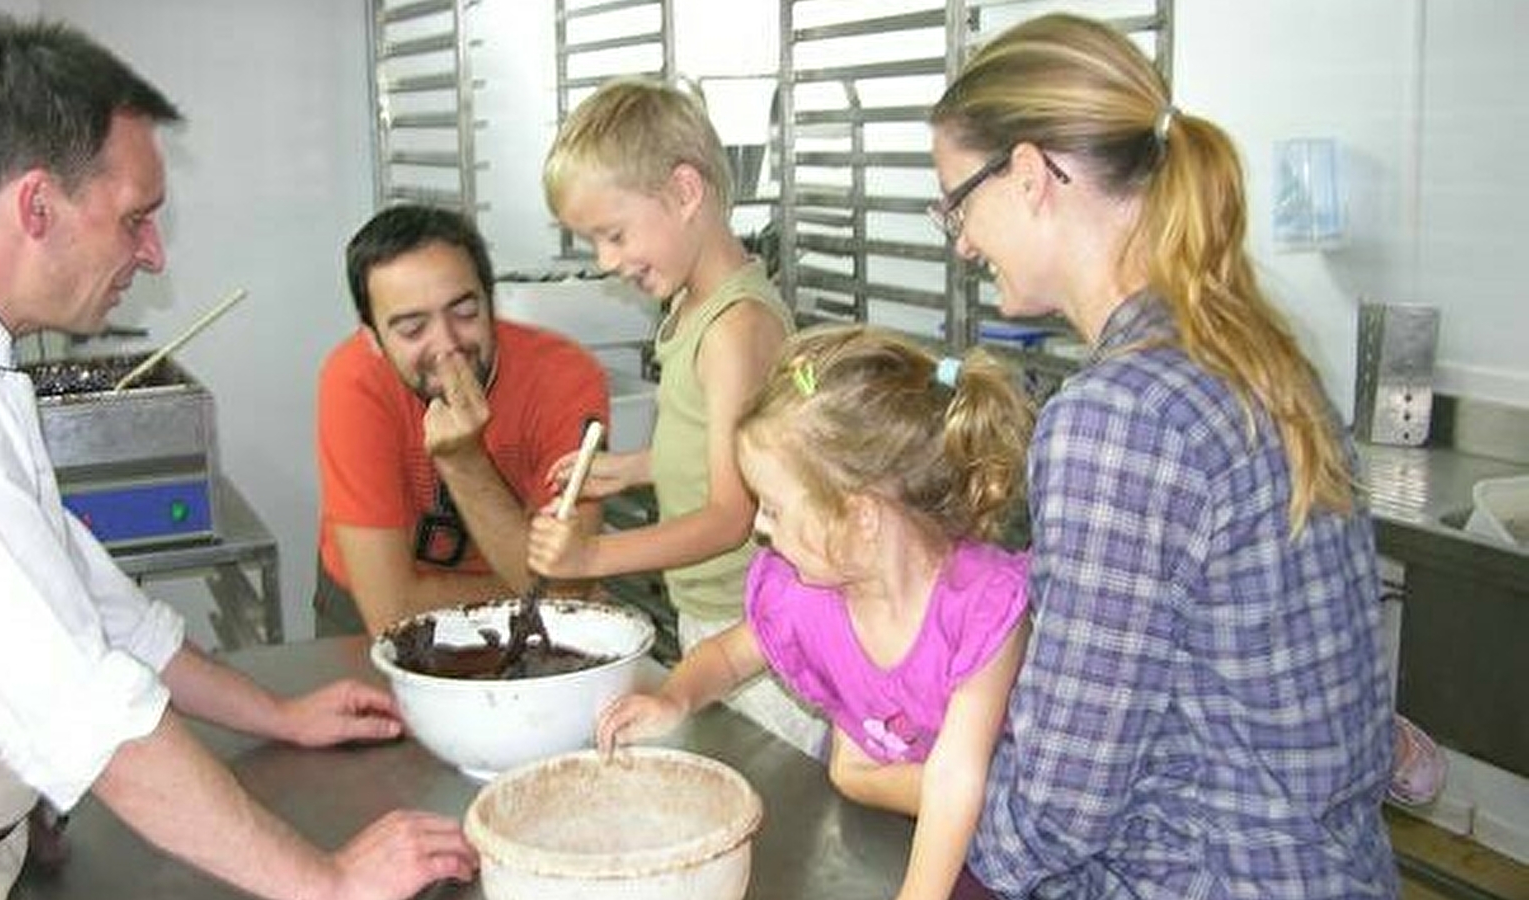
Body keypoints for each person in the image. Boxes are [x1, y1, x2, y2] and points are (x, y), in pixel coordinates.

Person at [0, 17, 474, 899]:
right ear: (36, 207)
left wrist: (278, 715)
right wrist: (326, 881)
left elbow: (100, 609)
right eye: (136, 219)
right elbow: (87, 715)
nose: (153, 253)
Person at [927, 13, 1396, 898]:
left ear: (1029, 177)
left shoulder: (1118, 418)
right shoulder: (1262, 357)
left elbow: (1066, 799)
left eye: (958, 203)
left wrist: (951, 850)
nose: (960, 243)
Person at [597, 325, 1034, 900]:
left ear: (860, 518)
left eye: (774, 509)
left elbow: (957, 779)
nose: (758, 528)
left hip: (997, 831)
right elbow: (729, 655)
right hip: (892, 815)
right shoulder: (806, 595)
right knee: (846, 775)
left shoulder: (978, 608)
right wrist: (673, 697)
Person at [530, 78, 826, 755]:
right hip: (714, 614)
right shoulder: (692, 311)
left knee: (771, 796)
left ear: (686, 193)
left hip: (751, 629)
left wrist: (592, 554)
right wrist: (630, 469)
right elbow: (719, 448)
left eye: (613, 234)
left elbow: (730, 515)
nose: (607, 261)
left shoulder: (736, 328)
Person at [315, 204, 609, 636]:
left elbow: (560, 593)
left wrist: (465, 463)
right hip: (362, 609)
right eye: (413, 328)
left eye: (465, 312)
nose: (447, 344)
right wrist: (545, 593)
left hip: (519, 604)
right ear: (372, 339)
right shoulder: (353, 381)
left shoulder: (565, 377)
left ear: (492, 302)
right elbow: (390, 613)